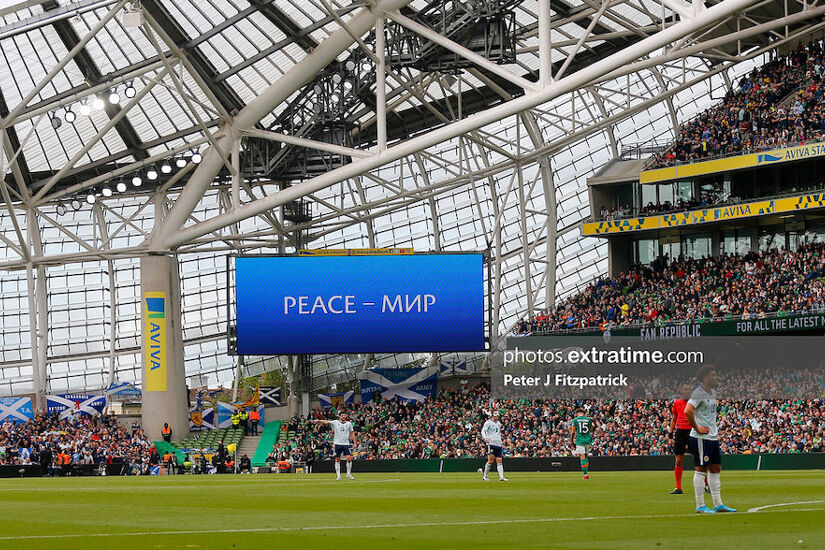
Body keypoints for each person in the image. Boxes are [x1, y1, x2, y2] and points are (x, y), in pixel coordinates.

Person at [685, 366, 736, 514]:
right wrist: (697, 427)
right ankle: (700, 505)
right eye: (713, 375)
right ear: (705, 377)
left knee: (715, 469)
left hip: (712, 437)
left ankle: (718, 504)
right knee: (701, 469)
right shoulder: (698, 393)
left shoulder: (712, 392)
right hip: (701, 437)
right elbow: (688, 410)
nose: (716, 377)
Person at [312, 412, 356, 480]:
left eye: (344, 415)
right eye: (342, 415)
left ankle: (348, 474)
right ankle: (338, 475)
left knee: (349, 458)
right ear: (339, 416)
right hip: (337, 443)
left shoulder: (349, 424)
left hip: (346, 444)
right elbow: (326, 422)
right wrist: (318, 420)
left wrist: (355, 443)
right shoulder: (335, 422)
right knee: (337, 459)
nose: (343, 416)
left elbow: (352, 434)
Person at [669, 383, 694, 494]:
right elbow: (674, 419)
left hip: (692, 431)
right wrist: (670, 435)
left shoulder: (694, 403)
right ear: (681, 391)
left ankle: (706, 484)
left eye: (689, 389)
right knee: (678, 460)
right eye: (685, 389)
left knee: (697, 459)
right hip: (680, 433)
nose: (687, 391)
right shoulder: (677, 403)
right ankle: (678, 487)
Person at [480, 410, 508, 481]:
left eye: (498, 416)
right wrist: (485, 437)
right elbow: (483, 430)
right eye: (496, 416)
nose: (497, 417)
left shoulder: (499, 423)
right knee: (491, 460)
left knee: (499, 460)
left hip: (498, 444)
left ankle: (501, 477)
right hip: (491, 443)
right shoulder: (488, 422)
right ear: (493, 416)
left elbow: (498, 433)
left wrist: (501, 441)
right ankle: (485, 476)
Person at [570, 407, 593, 479]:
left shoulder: (575, 420)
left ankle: (586, 474)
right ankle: (586, 472)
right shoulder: (588, 420)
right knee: (586, 456)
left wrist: (571, 440)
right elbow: (591, 429)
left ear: (577, 413)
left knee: (582, 456)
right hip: (588, 440)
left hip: (580, 440)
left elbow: (573, 432)